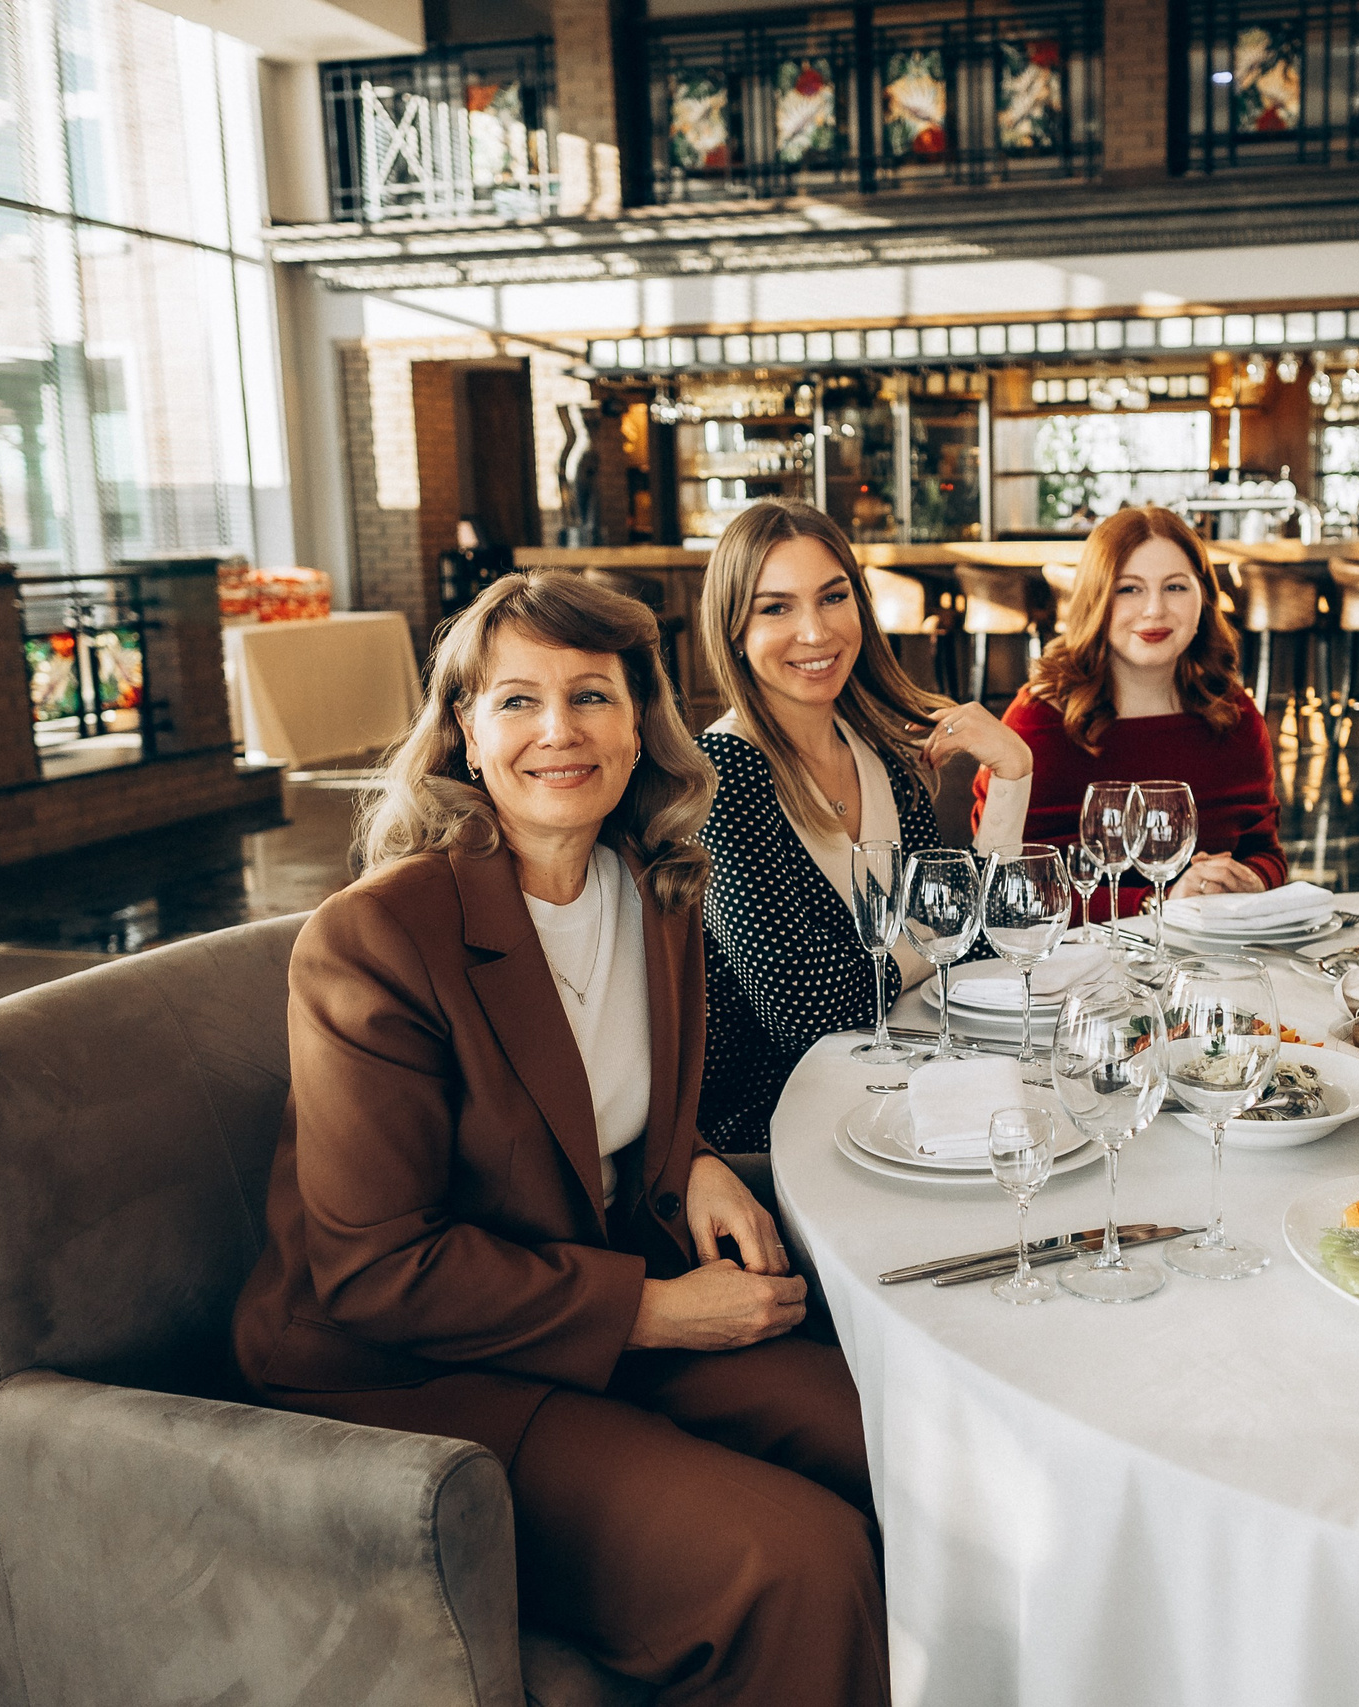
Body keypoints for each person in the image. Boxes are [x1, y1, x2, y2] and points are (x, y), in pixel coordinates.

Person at [231, 571, 886, 1707]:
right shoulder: (377, 939)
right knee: (795, 1563)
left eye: (592, 696)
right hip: (409, 1371)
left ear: (642, 726)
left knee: (905, 1448)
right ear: (464, 737)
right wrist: (655, 1308)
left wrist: (690, 1169)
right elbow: (374, 1272)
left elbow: (601, 1115)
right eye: (517, 702)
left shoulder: (661, 886)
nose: (559, 732)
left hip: (587, 1304)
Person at [695, 499, 1035, 1152]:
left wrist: (1013, 774)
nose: (816, 632)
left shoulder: (878, 749)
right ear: (734, 629)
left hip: (902, 1099)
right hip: (771, 1138)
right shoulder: (722, 772)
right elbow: (803, 1005)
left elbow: (983, 937)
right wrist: (930, 938)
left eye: (832, 597)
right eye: (776, 607)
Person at [981, 504, 1286, 915]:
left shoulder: (1234, 713)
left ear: (1205, 598)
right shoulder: (1040, 721)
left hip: (1208, 958)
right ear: (1096, 600)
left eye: (1175, 587)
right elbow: (1012, 889)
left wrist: (1254, 879)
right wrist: (1155, 904)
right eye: (1129, 589)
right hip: (1078, 967)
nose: (1154, 610)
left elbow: (1264, 850)